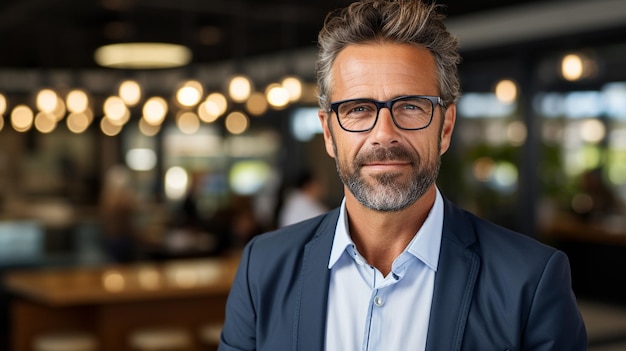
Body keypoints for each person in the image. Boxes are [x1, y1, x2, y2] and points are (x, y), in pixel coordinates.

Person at [219, 1, 587, 350]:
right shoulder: (262, 268)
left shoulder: (531, 279)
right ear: (329, 133)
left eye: (410, 106)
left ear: (445, 128)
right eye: (358, 109)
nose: (384, 133)